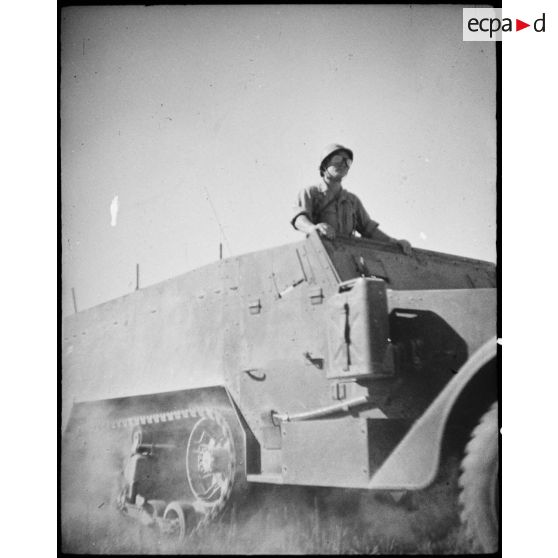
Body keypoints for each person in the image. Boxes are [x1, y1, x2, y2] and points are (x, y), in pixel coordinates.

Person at [291, 143, 412, 254]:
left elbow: (369, 229)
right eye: (338, 159)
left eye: (347, 162)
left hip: (348, 257)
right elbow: (299, 219)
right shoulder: (311, 193)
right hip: (320, 255)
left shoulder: (352, 201)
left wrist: (393, 242)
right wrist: (313, 228)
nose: (343, 164)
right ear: (325, 164)